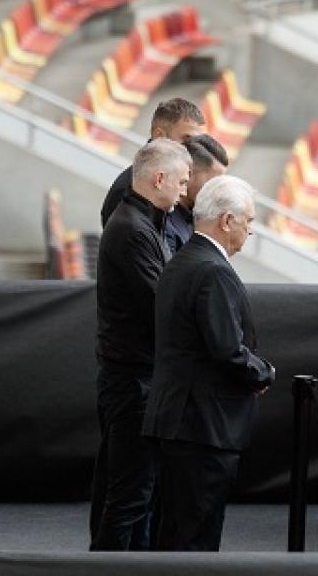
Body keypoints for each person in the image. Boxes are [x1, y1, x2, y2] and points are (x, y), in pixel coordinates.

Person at [143, 175, 275, 551]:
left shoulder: (183, 261)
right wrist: (263, 373)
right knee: (194, 538)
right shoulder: (212, 271)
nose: (250, 231)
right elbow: (227, 350)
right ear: (227, 220)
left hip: (179, 421)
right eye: (248, 222)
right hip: (201, 427)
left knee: (172, 533)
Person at [90, 139, 192, 551]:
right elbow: (162, 304)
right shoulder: (132, 230)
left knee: (139, 496)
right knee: (129, 497)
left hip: (141, 379)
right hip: (133, 382)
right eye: (182, 182)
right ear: (159, 178)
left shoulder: (147, 224)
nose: (186, 191)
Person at [100, 98, 206, 241]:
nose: (193, 148)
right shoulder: (127, 188)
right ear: (159, 135)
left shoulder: (174, 180)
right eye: (186, 139)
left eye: (196, 142)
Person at [167, 135, 229, 255]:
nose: (216, 191)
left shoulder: (196, 222)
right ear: (188, 174)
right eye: (212, 183)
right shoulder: (165, 224)